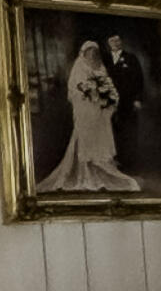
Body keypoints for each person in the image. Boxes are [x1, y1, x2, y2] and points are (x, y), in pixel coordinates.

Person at [36, 41, 140, 194]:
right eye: (89, 53)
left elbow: (109, 89)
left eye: (94, 53)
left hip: (99, 115)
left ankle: (100, 175)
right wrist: (91, 93)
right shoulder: (80, 68)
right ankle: (84, 176)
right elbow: (75, 90)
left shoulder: (100, 68)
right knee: (85, 142)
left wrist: (108, 99)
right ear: (84, 53)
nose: (92, 56)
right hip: (85, 113)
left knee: (99, 141)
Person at [104, 32, 147, 177]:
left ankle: (131, 165)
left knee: (129, 132)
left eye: (117, 39)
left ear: (121, 41)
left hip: (128, 102)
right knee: (112, 132)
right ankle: (114, 165)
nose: (115, 42)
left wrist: (138, 99)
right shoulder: (105, 59)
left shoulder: (131, 58)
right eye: (112, 40)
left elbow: (139, 79)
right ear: (108, 42)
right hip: (109, 102)